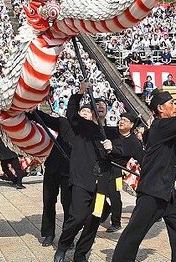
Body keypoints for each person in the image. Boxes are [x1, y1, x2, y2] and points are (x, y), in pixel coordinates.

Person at [111, 87, 176, 262]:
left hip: (166, 193)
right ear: (160, 108)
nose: (175, 107)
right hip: (152, 192)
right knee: (133, 235)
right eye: (172, 104)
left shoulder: (167, 129)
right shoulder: (160, 126)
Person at [54, 83, 119, 262]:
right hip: (81, 180)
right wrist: (80, 92)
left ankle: (80, 254)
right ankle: (63, 245)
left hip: (101, 185)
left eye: (102, 106)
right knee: (76, 218)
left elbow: (128, 144)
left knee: (93, 220)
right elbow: (72, 113)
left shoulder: (112, 132)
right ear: (90, 113)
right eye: (95, 106)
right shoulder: (82, 127)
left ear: (107, 112)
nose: (99, 108)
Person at [33, 106, 75, 247]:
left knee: (68, 205)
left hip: (70, 173)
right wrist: (33, 111)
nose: (85, 115)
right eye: (83, 112)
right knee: (49, 202)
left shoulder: (88, 132)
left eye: (88, 113)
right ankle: (48, 234)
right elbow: (46, 119)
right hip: (53, 168)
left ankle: (67, 236)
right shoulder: (64, 123)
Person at [102, 110, 145, 233]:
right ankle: (105, 210)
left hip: (117, 171)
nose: (121, 122)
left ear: (131, 125)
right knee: (96, 192)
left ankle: (116, 222)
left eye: (125, 121)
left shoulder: (134, 142)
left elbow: (142, 160)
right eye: (121, 119)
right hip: (103, 166)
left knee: (114, 195)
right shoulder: (111, 132)